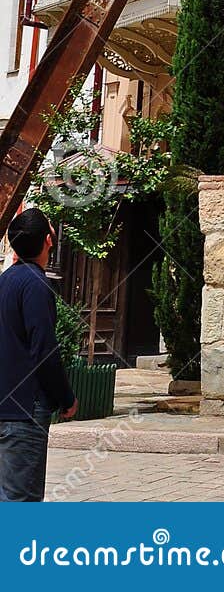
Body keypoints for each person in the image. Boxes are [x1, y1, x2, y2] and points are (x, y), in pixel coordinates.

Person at [0, 210, 77, 502]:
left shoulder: (6, 281)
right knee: (21, 501)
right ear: (49, 239)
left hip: (6, 403)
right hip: (25, 409)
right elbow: (44, 350)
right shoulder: (36, 285)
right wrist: (66, 398)